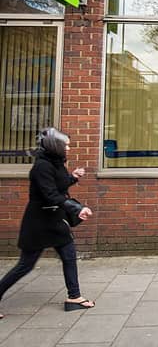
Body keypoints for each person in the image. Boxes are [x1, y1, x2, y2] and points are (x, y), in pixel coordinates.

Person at [0, 127, 94, 320]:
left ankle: (74, 297)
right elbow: (50, 195)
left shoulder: (56, 162)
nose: (69, 148)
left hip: (55, 220)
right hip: (39, 224)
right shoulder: (41, 167)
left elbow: (58, 185)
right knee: (25, 265)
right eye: (65, 145)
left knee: (69, 256)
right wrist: (77, 209)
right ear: (55, 145)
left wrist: (73, 178)